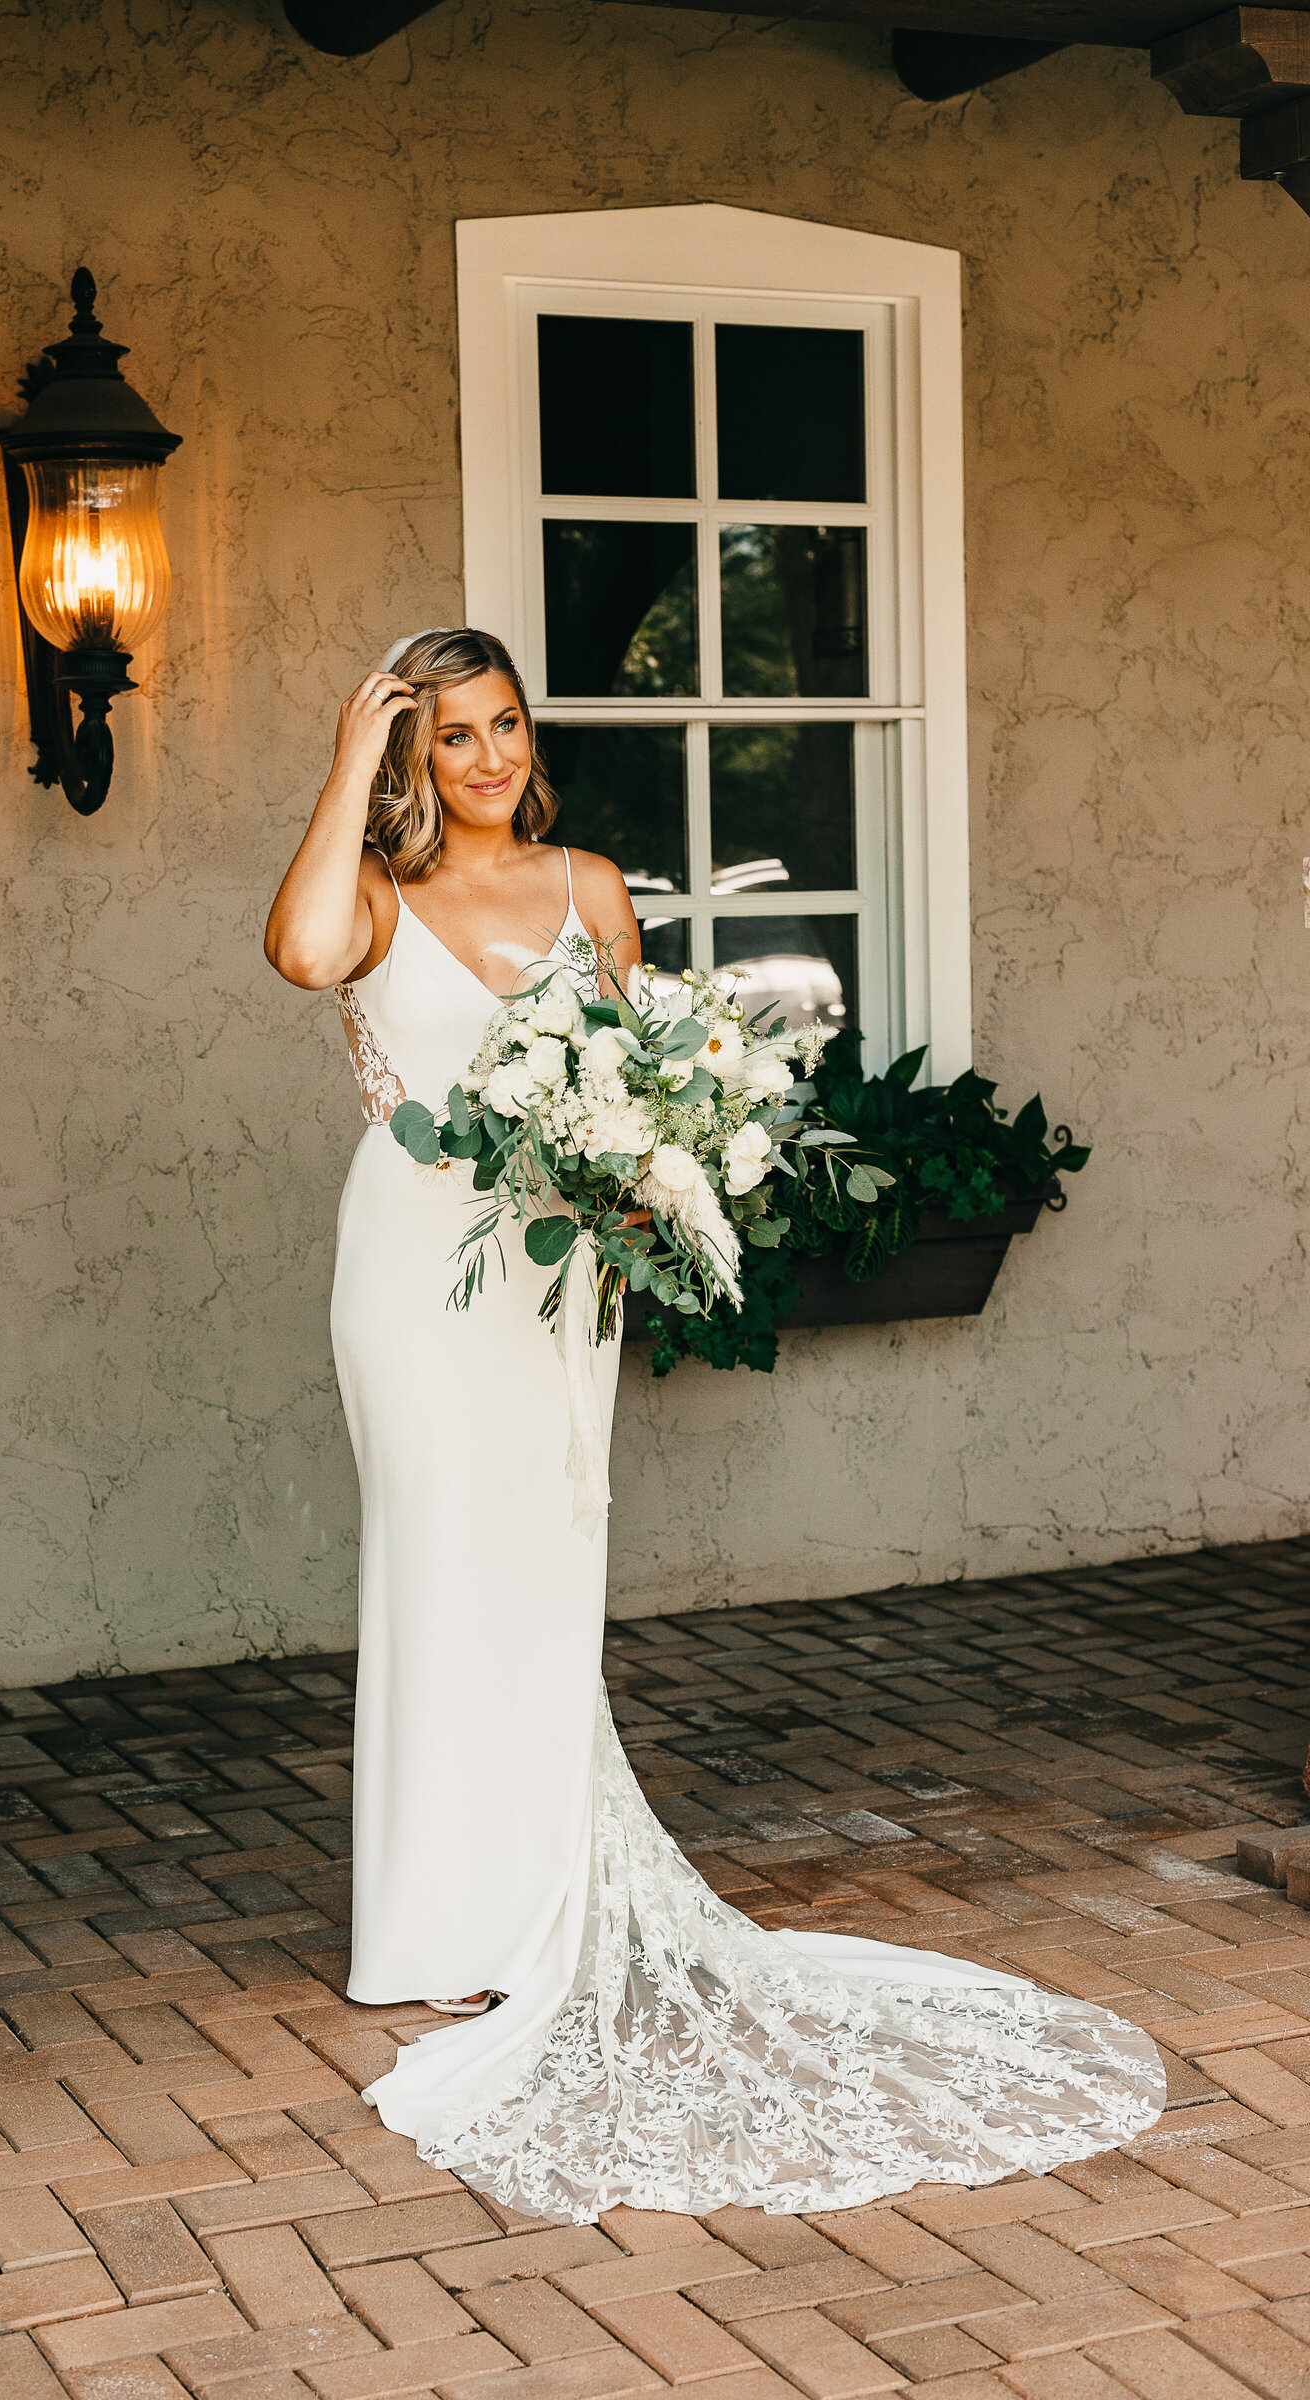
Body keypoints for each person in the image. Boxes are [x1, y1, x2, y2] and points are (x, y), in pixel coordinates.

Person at [264, 626, 1164, 2226]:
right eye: (451, 734)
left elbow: (651, 1072)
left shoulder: (590, 885)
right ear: (414, 751)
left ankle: (533, 1901)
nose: (486, 757)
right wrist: (348, 761)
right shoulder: (383, 896)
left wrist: (652, 1176)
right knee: (432, 1558)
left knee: (539, 1563)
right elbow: (295, 949)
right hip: (411, 1271)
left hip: (550, 1287)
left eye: (504, 728)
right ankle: (426, 1927)